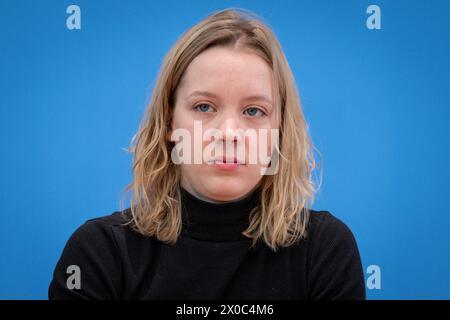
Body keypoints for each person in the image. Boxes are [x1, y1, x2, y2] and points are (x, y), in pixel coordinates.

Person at [48, 8, 365, 300]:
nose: (228, 132)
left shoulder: (324, 250)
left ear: (279, 132)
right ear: (170, 120)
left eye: (254, 110)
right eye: (204, 106)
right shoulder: (99, 253)